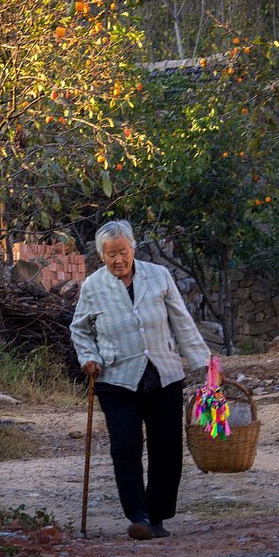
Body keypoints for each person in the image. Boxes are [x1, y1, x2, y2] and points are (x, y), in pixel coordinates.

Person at [70, 220, 211, 540]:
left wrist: (205, 363)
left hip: (164, 373)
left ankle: (157, 516)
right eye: (110, 254)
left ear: (133, 247)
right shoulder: (93, 286)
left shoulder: (158, 276)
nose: (117, 259)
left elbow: (181, 320)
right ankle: (138, 514)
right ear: (101, 255)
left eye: (122, 251)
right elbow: (80, 329)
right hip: (115, 378)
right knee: (125, 445)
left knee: (167, 447)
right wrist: (88, 357)